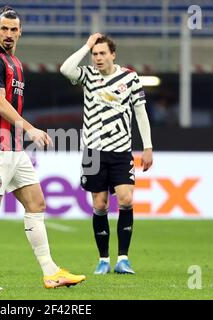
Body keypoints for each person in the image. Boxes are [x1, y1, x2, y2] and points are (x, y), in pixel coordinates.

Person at [0, 6, 86, 290]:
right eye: (3, 28)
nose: (7, 33)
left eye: (13, 29)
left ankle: (51, 272)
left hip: (14, 148)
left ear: (20, 32)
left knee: (36, 203)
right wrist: (29, 128)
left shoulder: (14, 62)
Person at [60, 33, 153, 275]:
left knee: (126, 199)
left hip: (121, 150)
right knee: (99, 204)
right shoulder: (89, 76)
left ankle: (123, 258)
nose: (98, 57)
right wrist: (86, 46)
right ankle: (103, 259)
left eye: (102, 53)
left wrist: (148, 146)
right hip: (93, 152)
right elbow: (65, 69)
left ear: (113, 55)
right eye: (95, 54)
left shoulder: (130, 78)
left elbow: (141, 113)